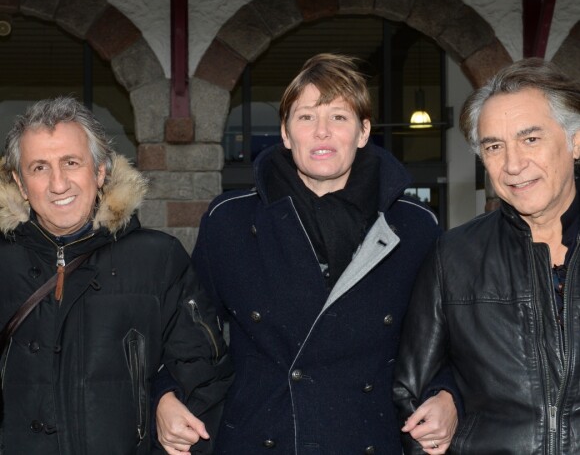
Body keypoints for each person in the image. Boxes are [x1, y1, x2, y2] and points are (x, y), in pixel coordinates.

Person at [156, 53, 458, 454]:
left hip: (368, 437)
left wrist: (448, 397)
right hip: (260, 436)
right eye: (306, 117)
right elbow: (188, 335)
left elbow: (447, 341)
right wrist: (165, 395)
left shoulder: (414, 227)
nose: (322, 132)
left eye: (339, 117)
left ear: (363, 132)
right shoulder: (229, 221)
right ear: (285, 133)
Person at [0, 97, 233, 454]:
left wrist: (165, 402)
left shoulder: (159, 259)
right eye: (39, 168)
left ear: (100, 171)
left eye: (71, 163)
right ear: (19, 181)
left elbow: (204, 378)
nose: (58, 184)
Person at [393, 58, 580, 453]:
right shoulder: (453, 256)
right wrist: (448, 397)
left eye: (531, 139)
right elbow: (413, 391)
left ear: (575, 141)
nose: (513, 165)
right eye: (494, 146)